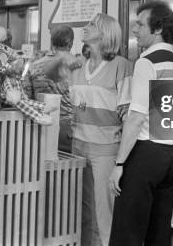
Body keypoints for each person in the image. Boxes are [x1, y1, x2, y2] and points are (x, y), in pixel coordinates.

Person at [109, 1, 173, 246]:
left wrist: (119, 163)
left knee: (127, 232)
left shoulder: (147, 62)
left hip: (144, 154)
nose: (134, 30)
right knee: (159, 234)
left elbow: (136, 118)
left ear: (157, 30)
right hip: (170, 157)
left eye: (140, 24)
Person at [69, 13, 132, 246]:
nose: (85, 27)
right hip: (77, 145)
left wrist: (122, 162)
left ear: (105, 33)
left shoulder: (121, 66)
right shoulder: (77, 65)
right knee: (82, 209)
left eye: (92, 25)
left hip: (105, 149)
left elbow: (128, 115)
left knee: (104, 210)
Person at [22, 26, 78, 152]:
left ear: (52, 42)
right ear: (71, 43)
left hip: (39, 123)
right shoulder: (76, 66)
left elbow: (25, 95)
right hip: (67, 128)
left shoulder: (34, 65)